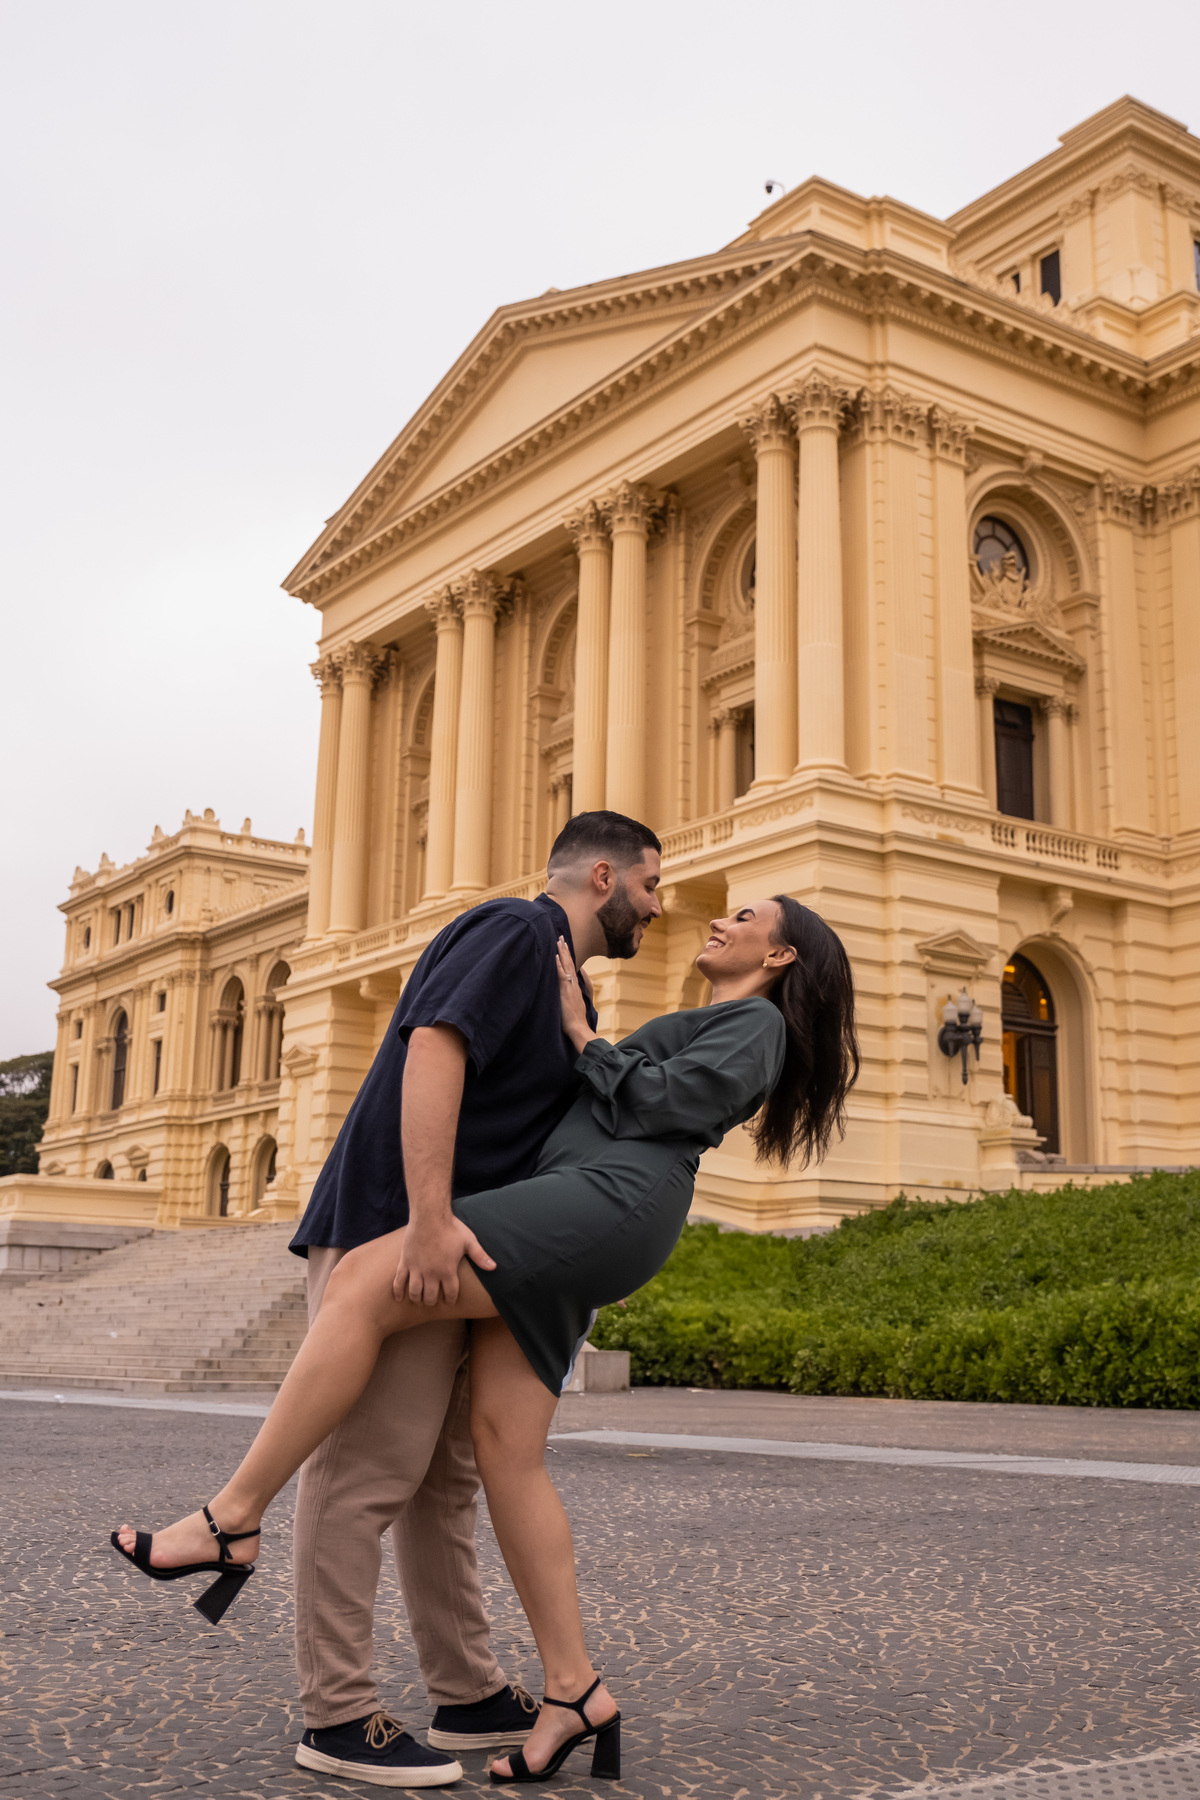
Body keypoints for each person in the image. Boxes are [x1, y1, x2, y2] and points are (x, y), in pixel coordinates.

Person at [113, 893, 858, 1786]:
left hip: (604, 1201)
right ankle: (574, 1692)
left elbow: (666, 1101)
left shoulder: (756, 1027)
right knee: (506, 1451)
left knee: (361, 1282)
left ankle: (230, 1517)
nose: (713, 917)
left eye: (744, 916)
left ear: (780, 958)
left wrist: (585, 1036)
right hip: (583, 1202)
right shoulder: (710, 1011)